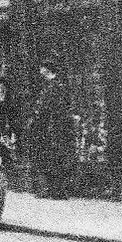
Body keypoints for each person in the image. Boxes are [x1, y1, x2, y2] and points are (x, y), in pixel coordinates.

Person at [24, 60, 77, 199]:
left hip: (51, 128)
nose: (40, 71)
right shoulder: (57, 85)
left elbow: (44, 107)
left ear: (47, 69)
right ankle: (55, 191)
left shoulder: (52, 86)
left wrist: (34, 117)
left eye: (42, 68)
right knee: (55, 158)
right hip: (55, 128)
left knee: (51, 158)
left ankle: (53, 191)